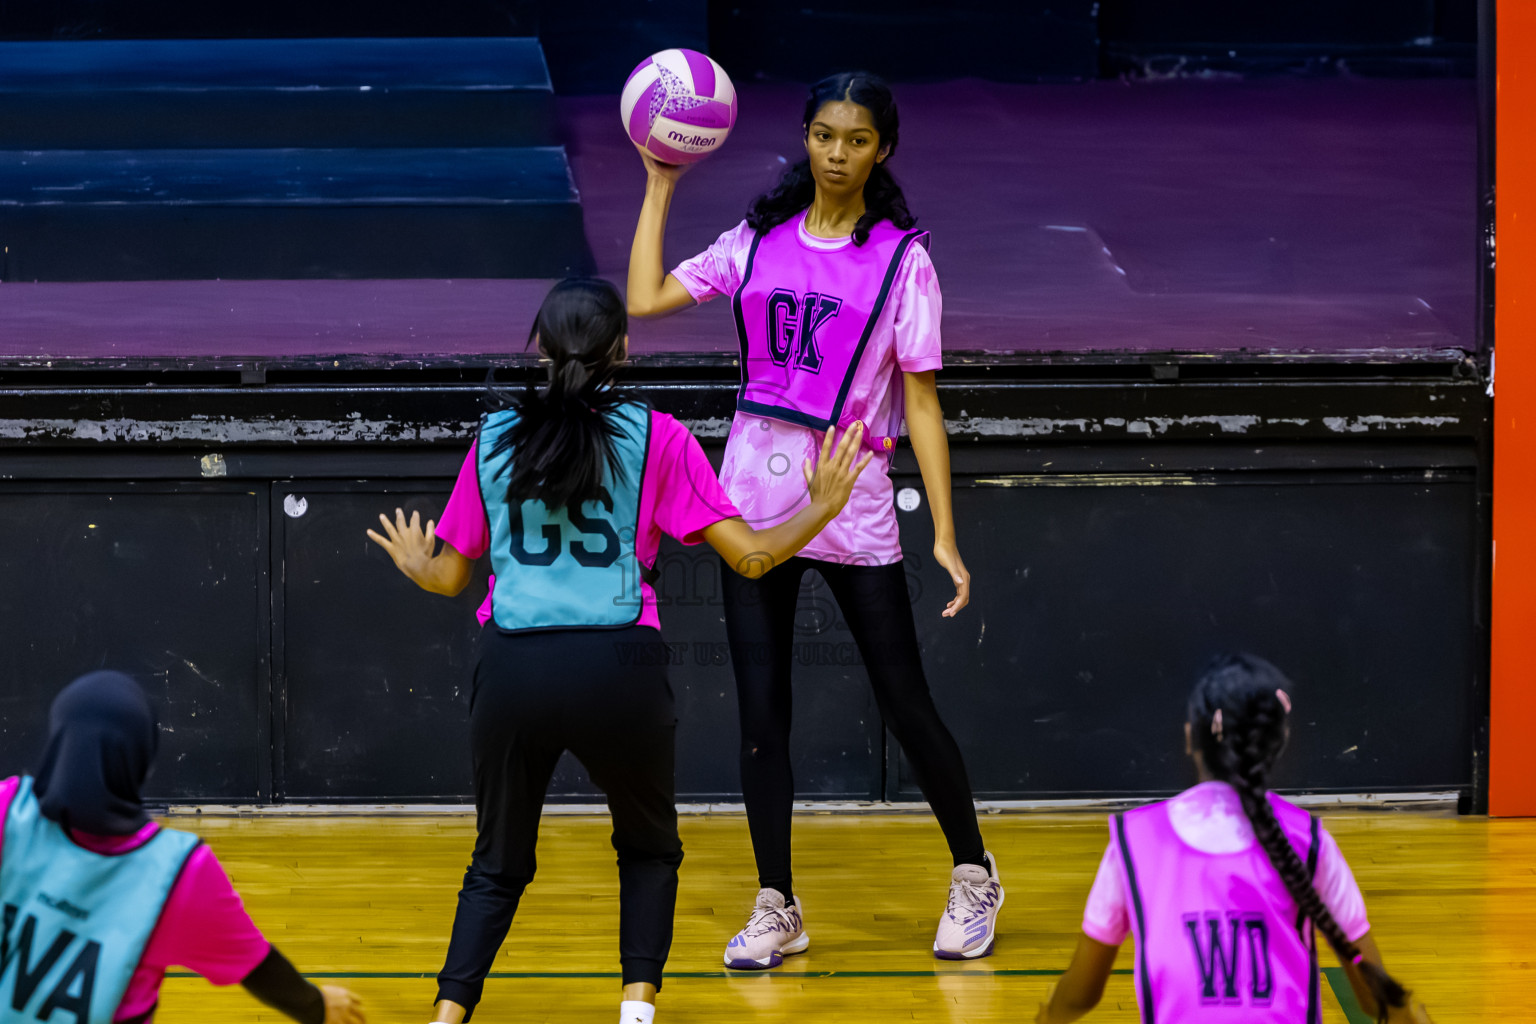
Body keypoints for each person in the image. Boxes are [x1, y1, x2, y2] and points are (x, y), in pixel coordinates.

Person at [365, 278, 870, 1024]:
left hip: (514, 669)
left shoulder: (495, 438)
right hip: (618, 668)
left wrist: (419, 566)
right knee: (647, 849)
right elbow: (754, 560)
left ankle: (448, 1015)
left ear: (538, 346)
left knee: (497, 864)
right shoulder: (658, 435)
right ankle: (636, 1011)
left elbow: (449, 575)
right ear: (623, 350)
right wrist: (821, 507)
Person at [626, 70, 1000, 967]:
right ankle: (777, 904)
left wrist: (943, 532)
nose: (837, 153)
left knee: (905, 704)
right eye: (825, 135)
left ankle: (975, 872)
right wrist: (660, 185)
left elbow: (920, 406)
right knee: (762, 717)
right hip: (752, 492)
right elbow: (641, 302)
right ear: (806, 136)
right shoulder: (756, 240)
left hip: (850, 492)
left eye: (857, 139)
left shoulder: (906, 261)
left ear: (883, 150)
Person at [1037, 654, 1434, 1024]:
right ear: (1277, 743)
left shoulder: (1135, 842)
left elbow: (1079, 996)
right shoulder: (1308, 839)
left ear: (1192, 737)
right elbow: (1377, 999)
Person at [0, 670, 365, 1024]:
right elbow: (257, 966)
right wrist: (317, 1006)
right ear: (144, 757)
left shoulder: (9, 808)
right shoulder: (176, 871)